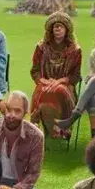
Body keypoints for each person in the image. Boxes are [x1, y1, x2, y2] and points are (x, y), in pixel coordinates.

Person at [29, 11, 82, 139]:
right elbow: (35, 71)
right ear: (50, 30)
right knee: (44, 91)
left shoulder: (75, 50)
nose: (57, 28)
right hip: (44, 83)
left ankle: (64, 127)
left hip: (66, 85)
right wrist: (44, 81)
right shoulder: (41, 47)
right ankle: (41, 128)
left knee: (59, 89)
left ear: (67, 30)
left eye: (61, 26)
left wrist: (60, 81)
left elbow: (76, 76)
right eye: (55, 26)